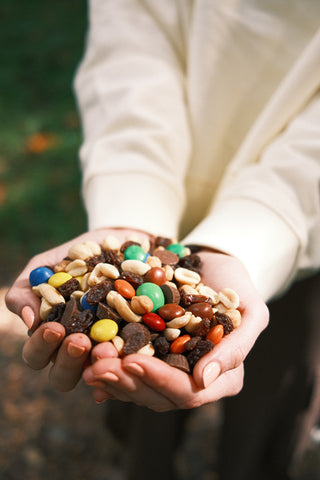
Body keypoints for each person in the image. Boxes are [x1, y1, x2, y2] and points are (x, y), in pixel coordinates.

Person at [5, 1, 320, 479]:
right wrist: (130, 207)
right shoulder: (120, 286)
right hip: (154, 212)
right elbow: (132, 39)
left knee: (271, 403)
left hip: (304, 234)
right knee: (136, 386)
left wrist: (262, 230)